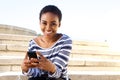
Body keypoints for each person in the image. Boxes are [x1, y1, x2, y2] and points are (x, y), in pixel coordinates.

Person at [21, 5, 72, 80]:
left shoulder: (65, 41)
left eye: (53, 24)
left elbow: (58, 73)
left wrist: (51, 68)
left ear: (59, 24)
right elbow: (35, 73)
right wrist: (26, 69)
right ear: (40, 23)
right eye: (44, 23)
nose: (48, 28)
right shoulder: (33, 43)